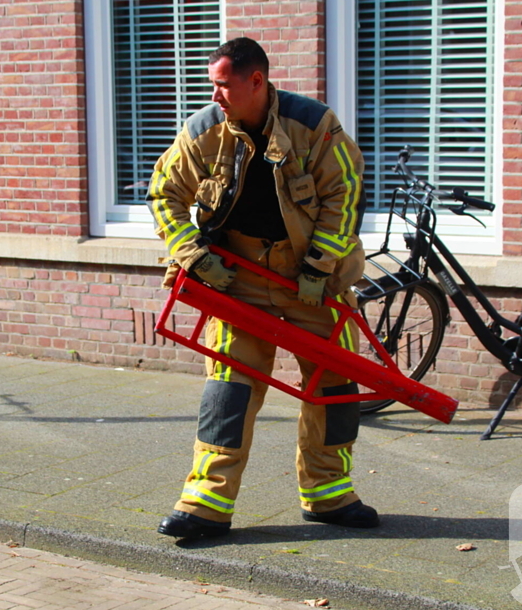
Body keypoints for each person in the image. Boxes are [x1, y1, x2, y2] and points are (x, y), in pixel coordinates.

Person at [147, 37, 375, 540]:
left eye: (224, 85)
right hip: (240, 279)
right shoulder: (204, 131)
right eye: (213, 85)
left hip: (311, 281)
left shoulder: (314, 126)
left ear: (257, 81)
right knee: (229, 390)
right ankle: (206, 502)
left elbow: (347, 192)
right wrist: (196, 258)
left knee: (334, 385)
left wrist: (318, 269)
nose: (215, 95)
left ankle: (328, 493)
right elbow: (164, 193)